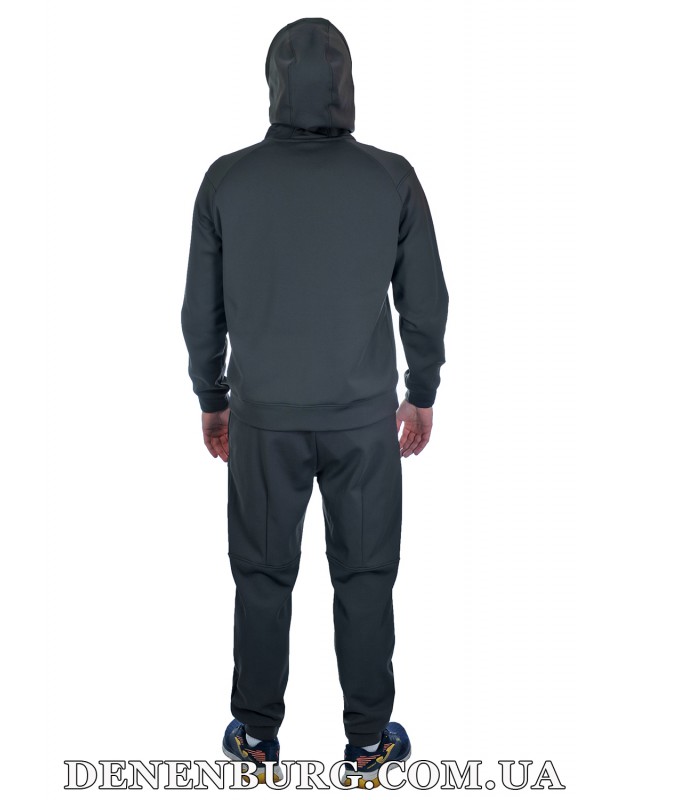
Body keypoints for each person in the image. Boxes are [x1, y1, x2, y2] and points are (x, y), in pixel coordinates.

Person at [180, 17, 449, 789]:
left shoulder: (227, 180)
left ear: (272, 84)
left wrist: (213, 399)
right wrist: (420, 391)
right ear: (345, 84)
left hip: (263, 421)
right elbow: (425, 299)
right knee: (365, 576)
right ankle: (367, 743)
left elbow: (201, 310)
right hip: (364, 423)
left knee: (262, 577)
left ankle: (256, 738)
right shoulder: (391, 178)